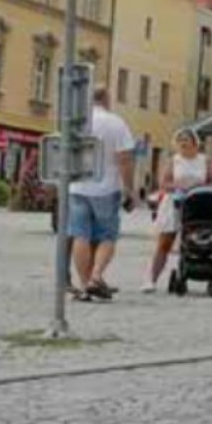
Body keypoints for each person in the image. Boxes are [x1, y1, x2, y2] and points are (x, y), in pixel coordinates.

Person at [69, 87, 137, 301]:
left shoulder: (76, 121)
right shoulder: (116, 123)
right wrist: (129, 189)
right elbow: (125, 159)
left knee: (80, 235)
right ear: (107, 99)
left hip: (78, 186)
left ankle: (83, 285)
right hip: (106, 188)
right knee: (107, 236)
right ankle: (96, 277)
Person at [142, 128, 212, 293]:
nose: (183, 142)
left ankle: (195, 271)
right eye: (180, 139)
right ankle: (150, 280)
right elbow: (164, 184)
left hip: (197, 203)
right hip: (175, 202)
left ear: (195, 142)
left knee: (196, 241)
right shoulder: (174, 160)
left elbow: (211, 181)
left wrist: (198, 188)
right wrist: (178, 188)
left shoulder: (204, 160)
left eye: (186, 139)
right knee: (164, 243)